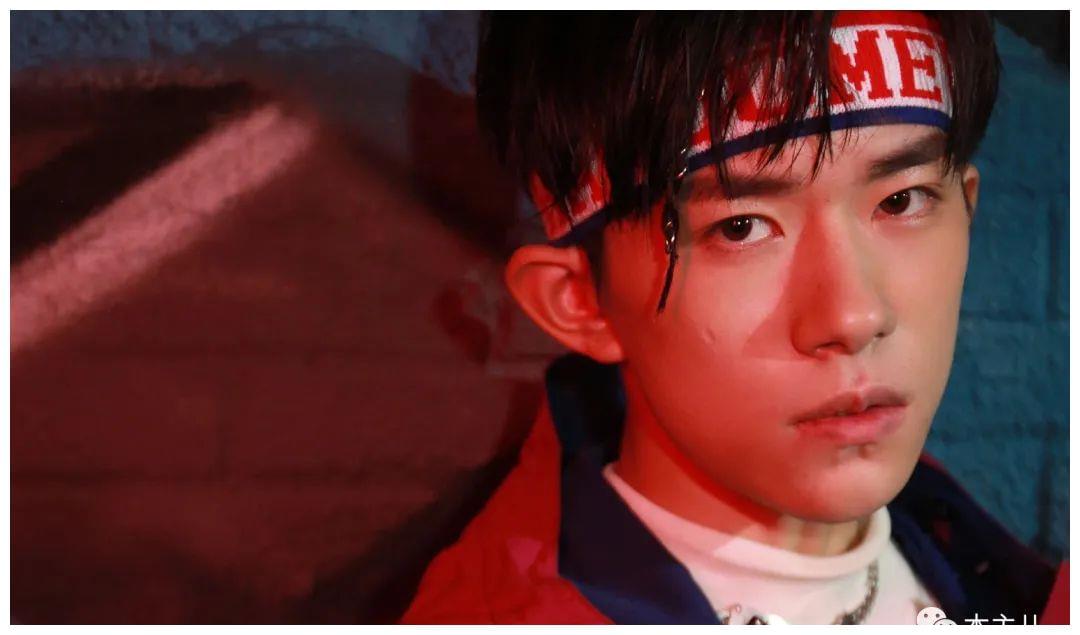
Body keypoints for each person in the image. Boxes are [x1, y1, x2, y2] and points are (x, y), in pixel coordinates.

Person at [401, 11, 1068, 624]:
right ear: (580, 302)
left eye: (902, 201)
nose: (856, 315)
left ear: (967, 209)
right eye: (741, 227)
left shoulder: (978, 556)